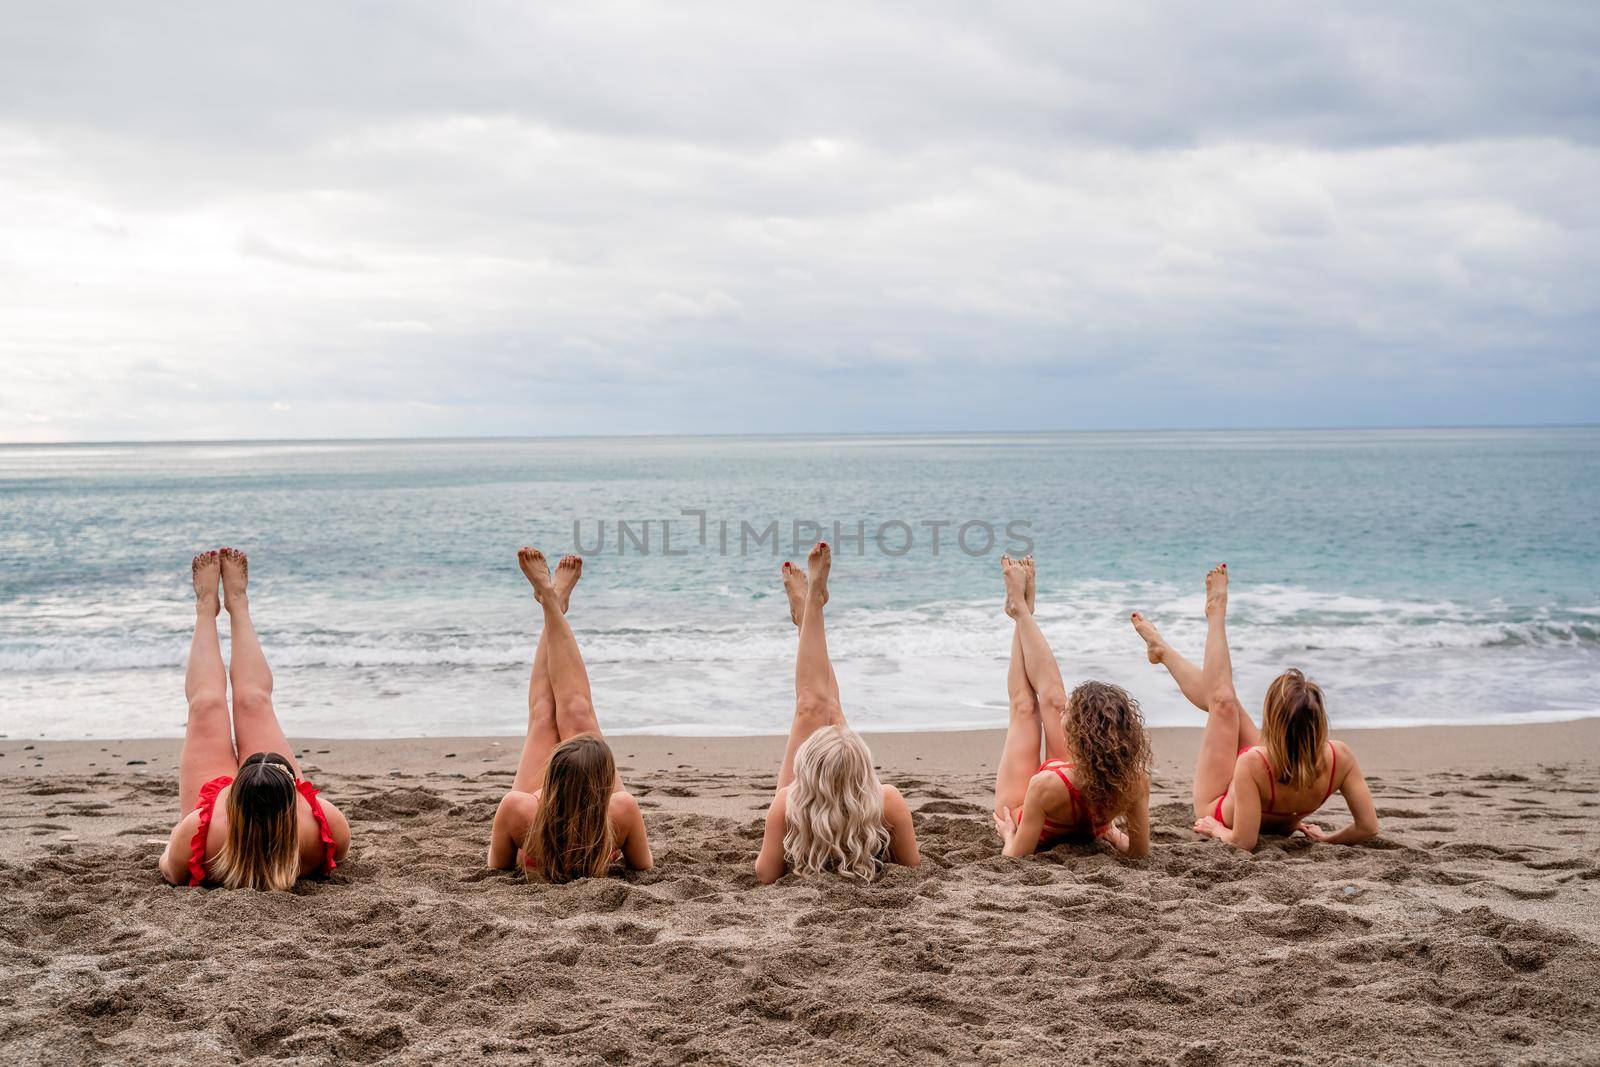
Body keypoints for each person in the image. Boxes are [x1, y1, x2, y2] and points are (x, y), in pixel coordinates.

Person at [1132, 563, 1380, 850]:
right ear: (1319, 722)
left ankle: (1214, 615)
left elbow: (1243, 841)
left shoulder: (1252, 761)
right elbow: (1368, 827)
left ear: (1273, 720)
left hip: (1218, 807)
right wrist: (1328, 839)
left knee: (1222, 701)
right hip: (1269, 784)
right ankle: (1163, 651)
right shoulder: (1341, 756)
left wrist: (1215, 829)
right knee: (1224, 702)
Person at [160, 548, 350, 889]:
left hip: (212, 817)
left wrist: (180, 838)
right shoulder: (326, 825)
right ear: (294, 800)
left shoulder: (202, 832)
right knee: (254, 701)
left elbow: (170, 870)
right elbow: (341, 852)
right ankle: (238, 604)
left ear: (232, 797)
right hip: (258, 815)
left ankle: (206, 611)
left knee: (206, 707)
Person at [755, 542, 920, 883]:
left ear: (805, 766)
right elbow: (912, 867)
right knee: (830, 708)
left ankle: (809, 612)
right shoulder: (886, 801)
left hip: (802, 810)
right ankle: (811, 609)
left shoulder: (787, 803)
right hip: (841, 808)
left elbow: (764, 875)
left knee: (811, 707)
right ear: (865, 771)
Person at [488, 549, 652, 882]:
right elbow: (643, 865)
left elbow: (497, 866)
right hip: (552, 816)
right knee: (580, 717)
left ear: (549, 777)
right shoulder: (621, 809)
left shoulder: (519, 808)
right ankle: (554, 602)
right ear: (604, 784)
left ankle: (552, 601)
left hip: (541, 818)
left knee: (544, 715)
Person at [993, 555, 1151, 858]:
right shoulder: (1134, 776)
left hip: (1025, 811)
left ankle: (1020, 610)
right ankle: (1024, 612)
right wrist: (1113, 835)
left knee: (1024, 707)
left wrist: (1008, 834)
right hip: (1073, 793)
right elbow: (1138, 853)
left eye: (1071, 715)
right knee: (1053, 700)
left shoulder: (1043, 785)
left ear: (1083, 734)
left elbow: (1015, 858)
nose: (1066, 713)